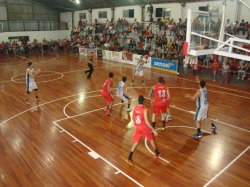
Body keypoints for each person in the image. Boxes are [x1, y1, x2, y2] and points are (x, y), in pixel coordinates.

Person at [125, 95, 160, 166]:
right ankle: (157, 153)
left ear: (138, 101)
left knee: (135, 143)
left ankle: (129, 158)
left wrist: (134, 123)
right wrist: (153, 130)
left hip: (137, 128)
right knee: (151, 140)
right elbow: (146, 122)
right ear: (143, 101)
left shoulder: (134, 107)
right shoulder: (144, 110)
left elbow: (132, 116)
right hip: (144, 128)